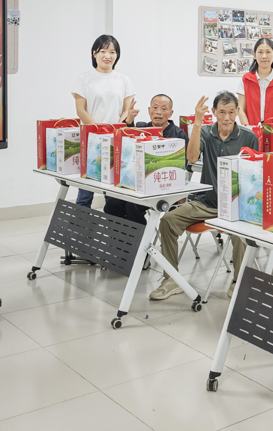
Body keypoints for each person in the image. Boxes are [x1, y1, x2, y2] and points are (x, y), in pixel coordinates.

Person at [149, 91, 259, 302]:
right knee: (168, 221)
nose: (226, 118)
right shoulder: (206, 132)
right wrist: (197, 124)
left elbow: (256, 176)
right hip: (206, 202)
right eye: (222, 112)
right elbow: (191, 157)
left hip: (235, 207)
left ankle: (238, 282)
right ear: (214, 112)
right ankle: (172, 279)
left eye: (231, 112)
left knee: (241, 234)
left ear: (237, 112)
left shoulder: (248, 137)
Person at [106, 94, 191, 226]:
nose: (158, 112)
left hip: (162, 185)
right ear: (149, 110)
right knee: (112, 203)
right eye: (155, 108)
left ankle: (138, 238)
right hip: (137, 183)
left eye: (164, 108)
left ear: (171, 113)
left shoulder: (179, 135)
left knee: (132, 206)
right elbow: (123, 140)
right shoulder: (142, 128)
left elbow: (181, 165)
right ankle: (119, 235)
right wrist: (129, 121)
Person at [72, 35, 135, 209]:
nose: (108, 56)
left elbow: (126, 110)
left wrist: (115, 129)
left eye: (112, 52)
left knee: (113, 191)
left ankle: (111, 223)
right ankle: (81, 223)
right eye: (103, 51)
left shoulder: (123, 80)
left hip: (116, 139)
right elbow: (81, 110)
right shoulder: (84, 78)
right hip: (91, 139)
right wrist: (98, 131)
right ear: (94, 53)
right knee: (86, 190)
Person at [237, 37, 273, 126]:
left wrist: (272, 130)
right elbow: (240, 109)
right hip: (251, 130)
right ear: (254, 55)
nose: (264, 56)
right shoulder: (246, 80)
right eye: (260, 52)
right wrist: (249, 130)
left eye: (268, 52)